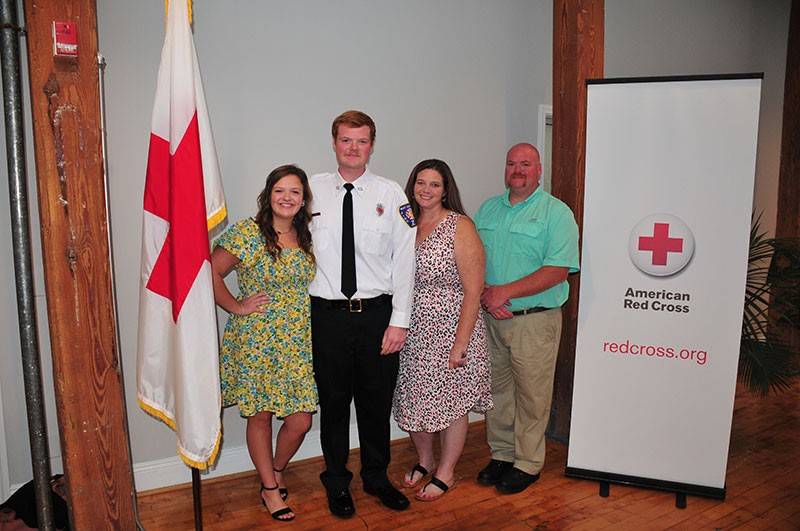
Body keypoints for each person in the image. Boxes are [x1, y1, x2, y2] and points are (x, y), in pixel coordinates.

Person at [308, 110, 416, 517]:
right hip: (328, 316)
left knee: (375, 402)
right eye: (346, 140)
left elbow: (406, 260)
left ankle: (376, 477)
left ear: (372, 145)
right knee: (333, 402)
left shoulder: (391, 195)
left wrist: (399, 321)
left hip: (376, 315)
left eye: (362, 141)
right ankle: (336, 481)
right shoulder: (311, 190)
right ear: (334, 142)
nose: (353, 148)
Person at [211, 164, 318, 522]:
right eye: (280, 191)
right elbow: (210, 270)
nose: (287, 198)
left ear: (303, 200)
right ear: (268, 195)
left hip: (296, 340)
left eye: (295, 192)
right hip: (257, 339)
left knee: (301, 419)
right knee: (261, 415)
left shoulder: (305, 236)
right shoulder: (248, 233)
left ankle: (274, 469)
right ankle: (271, 488)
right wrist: (236, 306)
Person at [474, 143, 579, 494]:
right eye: (511, 164)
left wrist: (506, 292)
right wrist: (489, 294)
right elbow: (473, 261)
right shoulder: (488, 210)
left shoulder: (556, 214)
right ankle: (502, 455)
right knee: (499, 391)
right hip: (492, 317)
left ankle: (528, 463)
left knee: (532, 395)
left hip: (535, 320)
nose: (517, 170)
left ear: (539, 170)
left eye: (525, 164)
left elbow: (558, 271)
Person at [392, 159, 493, 501]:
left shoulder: (459, 226)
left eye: (434, 184)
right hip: (412, 328)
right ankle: (425, 460)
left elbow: (473, 289)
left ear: (445, 189)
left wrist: (461, 343)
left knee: (452, 403)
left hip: (452, 327)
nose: (426, 190)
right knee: (414, 398)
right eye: (421, 182)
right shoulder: (405, 224)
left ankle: (447, 473)